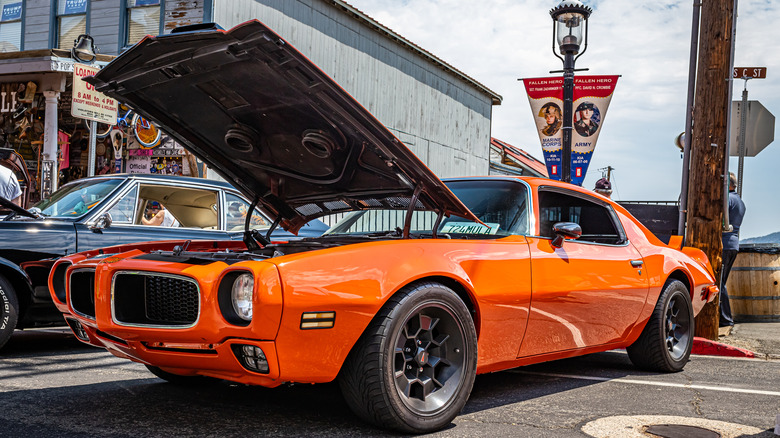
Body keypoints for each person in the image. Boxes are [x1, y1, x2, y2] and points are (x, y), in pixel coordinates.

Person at [720, 172, 746, 328]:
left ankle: (725, 319)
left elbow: (721, 220)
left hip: (724, 243)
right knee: (722, 282)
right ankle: (724, 318)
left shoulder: (728, 200)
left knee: (719, 282)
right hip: (733, 244)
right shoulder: (740, 202)